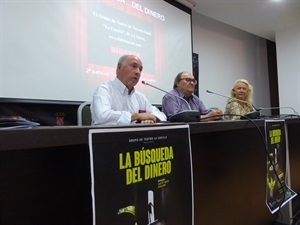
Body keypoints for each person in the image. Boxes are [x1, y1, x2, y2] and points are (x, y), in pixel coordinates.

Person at [91, 55, 166, 125]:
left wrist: (152, 118)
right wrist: (137, 116)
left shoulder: (140, 97)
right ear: (119, 67)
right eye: (134, 66)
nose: (138, 72)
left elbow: (162, 116)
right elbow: (101, 116)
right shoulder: (105, 89)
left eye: (140, 69)